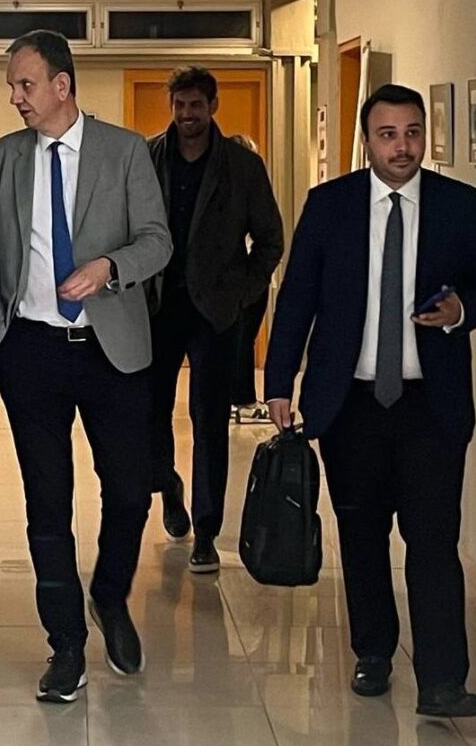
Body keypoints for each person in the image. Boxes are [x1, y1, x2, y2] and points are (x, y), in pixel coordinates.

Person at [264, 84, 476, 718]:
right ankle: (373, 653)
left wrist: (462, 310)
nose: (402, 147)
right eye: (388, 135)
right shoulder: (330, 206)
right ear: (367, 141)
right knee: (362, 534)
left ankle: (443, 681)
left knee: (433, 540)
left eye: (412, 133)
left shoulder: (459, 205)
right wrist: (278, 381)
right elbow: (297, 297)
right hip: (349, 404)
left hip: (432, 405)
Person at [0, 30, 171, 703]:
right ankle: (65, 643)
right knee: (46, 502)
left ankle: (110, 595)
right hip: (31, 351)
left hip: (112, 348)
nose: (16, 97)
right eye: (12, 86)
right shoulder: (3, 159)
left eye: (25, 84)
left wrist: (110, 267)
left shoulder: (125, 151)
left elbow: (157, 240)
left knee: (129, 490)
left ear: (62, 85)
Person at [145, 67, 284, 572]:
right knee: (149, 414)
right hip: (158, 307)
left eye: (196, 106)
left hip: (215, 313)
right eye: (179, 105)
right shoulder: (148, 158)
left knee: (209, 424)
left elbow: (270, 241)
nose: (187, 115)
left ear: (213, 106)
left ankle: (205, 531)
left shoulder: (242, 166)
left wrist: (242, 295)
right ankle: (168, 486)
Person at [227, 133, 273, 424]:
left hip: (240, 278)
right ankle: (242, 399)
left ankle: (237, 397)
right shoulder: (246, 191)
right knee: (242, 341)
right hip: (245, 278)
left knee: (239, 340)